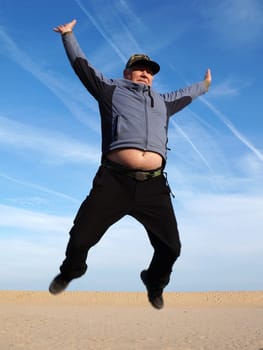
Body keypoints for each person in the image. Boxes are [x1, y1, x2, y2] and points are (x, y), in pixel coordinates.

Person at [49, 19, 212, 309]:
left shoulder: (163, 102)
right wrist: (68, 36)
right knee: (79, 240)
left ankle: (154, 281)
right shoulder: (110, 89)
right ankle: (71, 271)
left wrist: (205, 85)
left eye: (149, 71)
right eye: (140, 69)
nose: (145, 74)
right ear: (128, 72)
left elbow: (189, 93)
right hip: (114, 182)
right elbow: (81, 66)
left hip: (154, 186)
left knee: (171, 248)